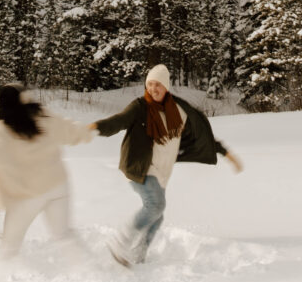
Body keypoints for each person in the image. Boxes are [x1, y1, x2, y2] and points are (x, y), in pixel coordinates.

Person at [89, 63, 242, 266]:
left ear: (166, 87)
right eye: (150, 84)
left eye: (158, 85)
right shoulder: (140, 107)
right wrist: (95, 128)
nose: (153, 89)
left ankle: (138, 255)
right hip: (139, 167)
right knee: (156, 205)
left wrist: (225, 152)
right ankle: (121, 243)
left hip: (161, 172)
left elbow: (201, 137)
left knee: (157, 215)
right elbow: (119, 121)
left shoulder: (179, 112)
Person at [0, 83, 93, 257]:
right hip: (58, 187)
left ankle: (5, 276)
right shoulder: (44, 116)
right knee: (63, 235)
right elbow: (71, 131)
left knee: (10, 246)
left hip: (26, 196)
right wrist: (88, 132)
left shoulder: (1, 130)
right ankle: (90, 269)